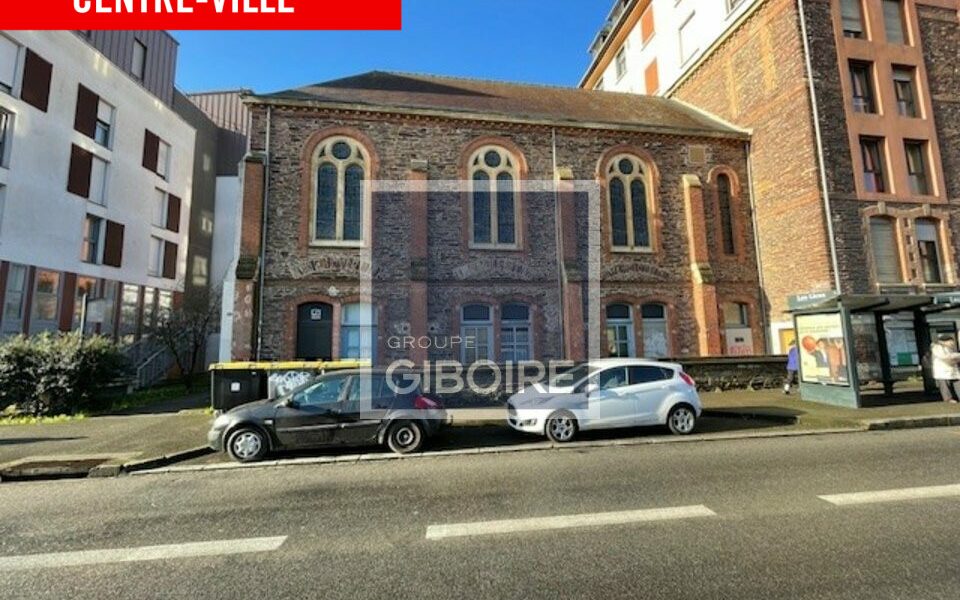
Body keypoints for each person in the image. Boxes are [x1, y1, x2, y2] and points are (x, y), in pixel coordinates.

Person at [930, 335, 960, 404]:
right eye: (951, 341)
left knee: (957, 382)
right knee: (944, 385)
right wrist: (956, 356)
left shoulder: (950, 348)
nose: (952, 343)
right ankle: (948, 399)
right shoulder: (937, 348)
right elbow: (945, 357)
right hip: (942, 370)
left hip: (951, 369)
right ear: (945, 342)